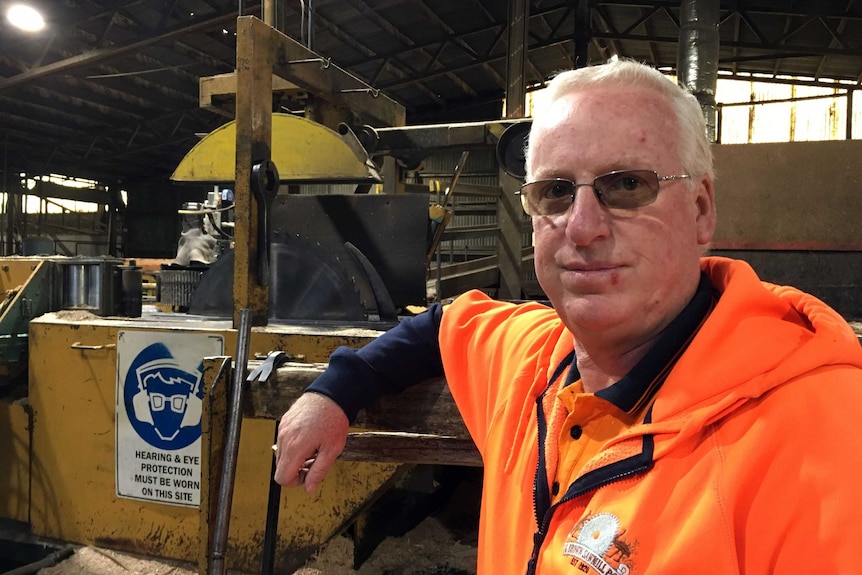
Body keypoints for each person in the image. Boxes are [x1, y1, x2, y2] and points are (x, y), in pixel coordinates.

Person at [273, 58, 862, 573]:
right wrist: (335, 390)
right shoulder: (536, 357)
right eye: (555, 191)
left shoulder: (819, 441)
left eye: (627, 184)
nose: (582, 226)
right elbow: (440, 324)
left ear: (702, 209)